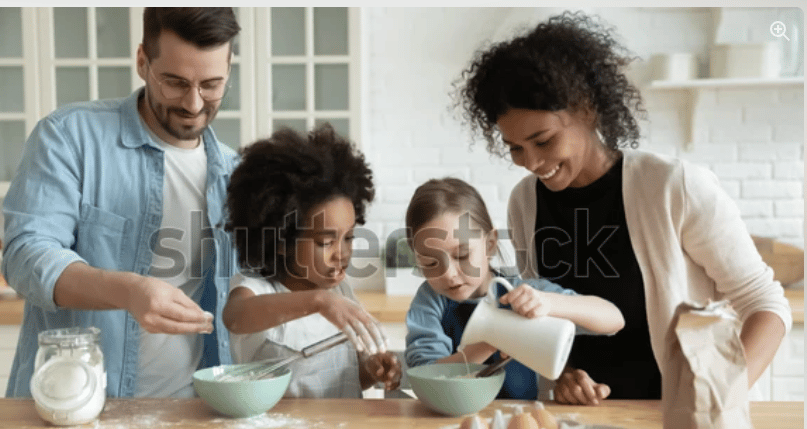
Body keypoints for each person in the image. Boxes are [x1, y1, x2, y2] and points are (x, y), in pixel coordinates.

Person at [454, 12, 792, 404]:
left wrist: (720, 398)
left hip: (679, 414)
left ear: (586, 110)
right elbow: (544, 316)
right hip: (584, 416)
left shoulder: (672, 187)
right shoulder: (524, 200)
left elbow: (764, 303)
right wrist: (562, 375)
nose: (530, 162)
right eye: (515, 148)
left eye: (543, 141)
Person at [2, 8, 241, 398]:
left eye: (211, 85)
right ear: (142, 61)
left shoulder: (235, 174)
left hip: (192, 410)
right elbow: (25, 256)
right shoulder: (69, 138)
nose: (195, 104)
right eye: (175, 83)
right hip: (76, 410)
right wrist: (129, 291)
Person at [404, 177, 624, 400]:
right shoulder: (430, 301)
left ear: (490, 244)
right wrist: (490, 340)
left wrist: (550, 303)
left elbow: (613, 319)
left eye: (462, 255)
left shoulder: (522, 294)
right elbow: (427, 376)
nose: (449, 274)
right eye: (431, 263)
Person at [222, 124, 401, 398]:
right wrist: (318, 301)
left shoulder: (341, 293)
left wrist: (372, 370)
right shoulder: (257, 289)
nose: (342, 253)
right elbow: (235, 317)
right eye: (326, 242)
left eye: (349, 238)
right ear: (282, 241)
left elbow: (344, 379)